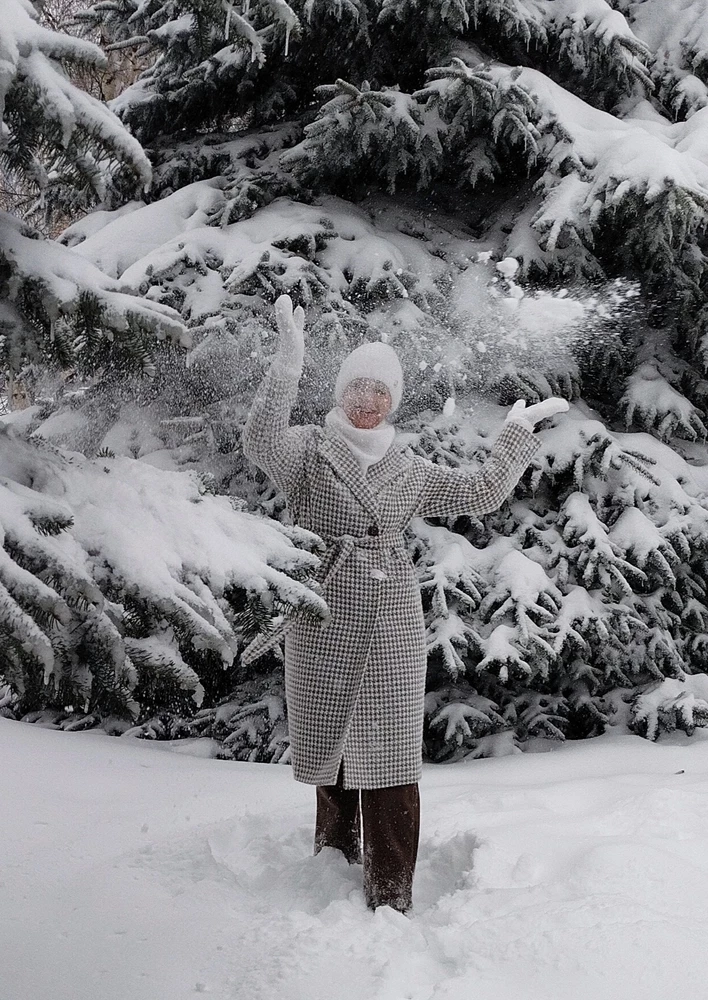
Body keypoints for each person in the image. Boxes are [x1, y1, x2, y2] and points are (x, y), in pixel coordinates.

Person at [242, 294, 568, 914]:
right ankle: (332, 868)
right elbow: (260, 442)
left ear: (394, 402)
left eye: (381, 393)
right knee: (332, 745)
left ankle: (390, 898)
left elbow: (482, 490)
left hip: (391, 618)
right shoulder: (308, 451)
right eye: (358, 387)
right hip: (325, 612)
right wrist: (286, 366)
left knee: (390, 755)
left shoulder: (409, 467)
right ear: (340, 391)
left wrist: (514, 438)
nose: (367, 401)